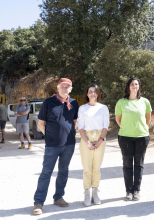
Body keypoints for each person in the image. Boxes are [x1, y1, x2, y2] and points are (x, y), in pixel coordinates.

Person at [33, 78, 79, 215]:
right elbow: (41, 124)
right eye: (62, 86)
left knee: (63, 171)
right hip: (52, 145)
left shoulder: (74, 103)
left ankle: (58, 197)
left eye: (67, 87)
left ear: (70, 89)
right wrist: (50, 136)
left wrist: (67, 134)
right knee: (46, 173)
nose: (65, 88)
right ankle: (38, 202)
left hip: (69, 144)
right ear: (58, 88)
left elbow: (75, 122)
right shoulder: (48, 102)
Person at [115, 77, 152, 201]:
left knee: (139, 164)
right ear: (128, 86)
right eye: (132, 84)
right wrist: (127, 129)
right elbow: (118, 120)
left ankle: (136, 190)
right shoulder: (121, 102)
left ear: (139, 86)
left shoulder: (145, 101)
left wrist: (141, 129)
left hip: (142, 137)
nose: (134, 86)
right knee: (127, 164)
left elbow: (148, 119)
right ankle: (128, 191)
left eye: (136, 84)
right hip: (125, 137)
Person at [78, 84, 109, 206]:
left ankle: (95, 192)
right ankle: (86, 192)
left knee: (96, 168)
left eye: (95, 92)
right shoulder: (82, 108)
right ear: (87, 94)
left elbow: (105, 125)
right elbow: (80, 127)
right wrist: (87, 142)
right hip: (87, 138)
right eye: (90, 91)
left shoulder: (103, 108)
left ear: (98, 94)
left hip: (100, 137)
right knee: (87, 169)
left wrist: (101, 140)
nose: (92, 94)